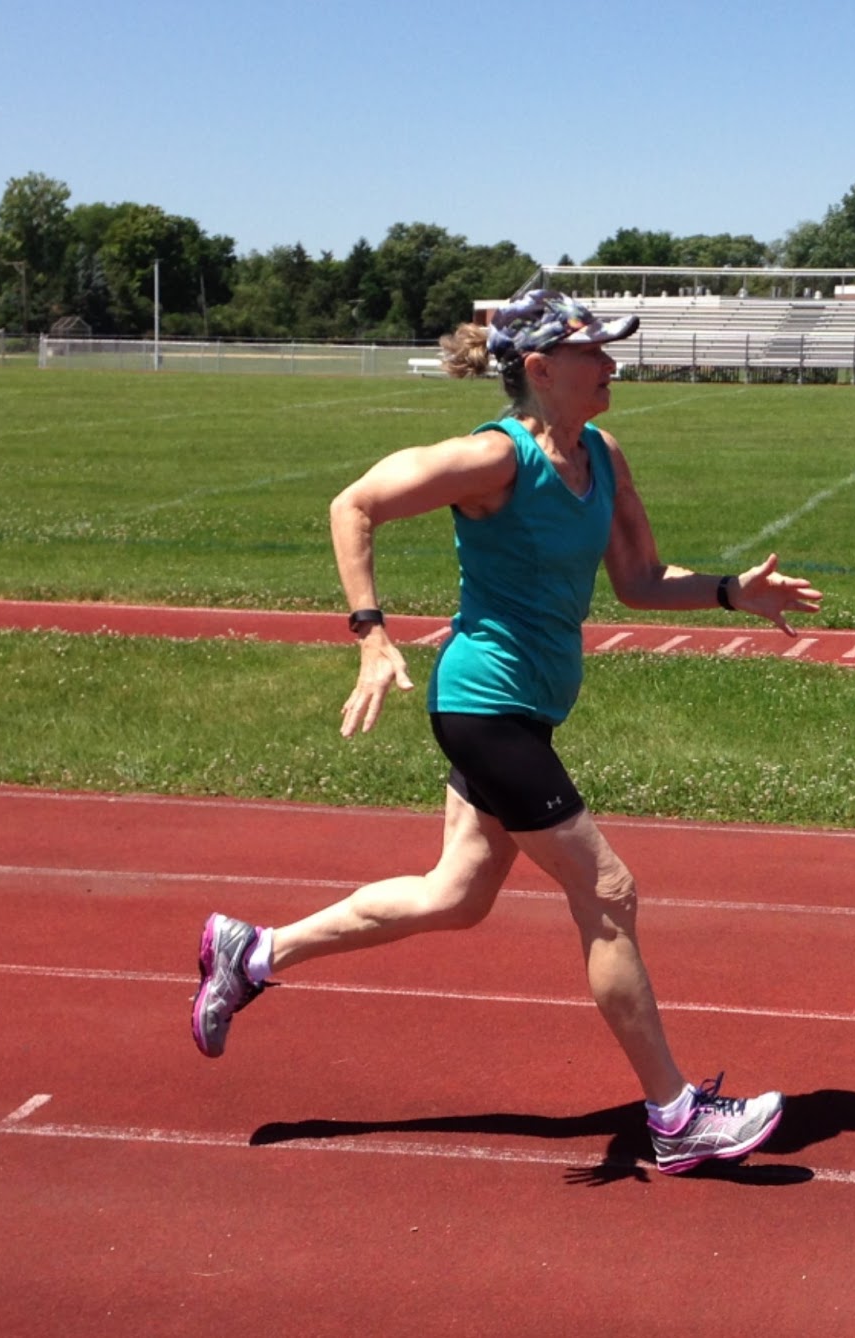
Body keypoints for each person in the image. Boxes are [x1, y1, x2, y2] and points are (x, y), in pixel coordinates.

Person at [192, 290, 822, 1174]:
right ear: (539, 370)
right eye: (593, 351)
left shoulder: (601, 455)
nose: (611, 364)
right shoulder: (494, 459)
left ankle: (254, 952)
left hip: (526, 710)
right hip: (484, 708)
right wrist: (371, 637)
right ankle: (676, 1118)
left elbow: (639, 580)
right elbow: (354, 505)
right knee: (607, 890)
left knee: (457, 895)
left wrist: (728, 592)